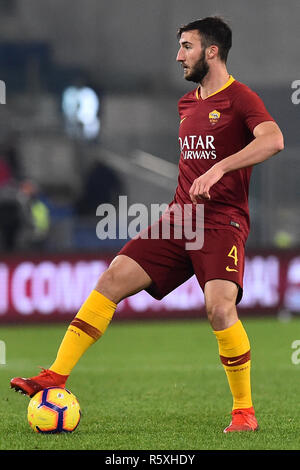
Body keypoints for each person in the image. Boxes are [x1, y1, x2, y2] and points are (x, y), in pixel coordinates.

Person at [11, 17, 284, 433]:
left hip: (222, 223)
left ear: (212, 51)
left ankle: (244, 413)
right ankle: (55, 375)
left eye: (187, 47)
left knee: (219, 308)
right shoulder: (186, 103)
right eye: (179, 47)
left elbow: (273, 139)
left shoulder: (241, 98)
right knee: (111, 280)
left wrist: (220, 169)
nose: (179, 55)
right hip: (180, 220)